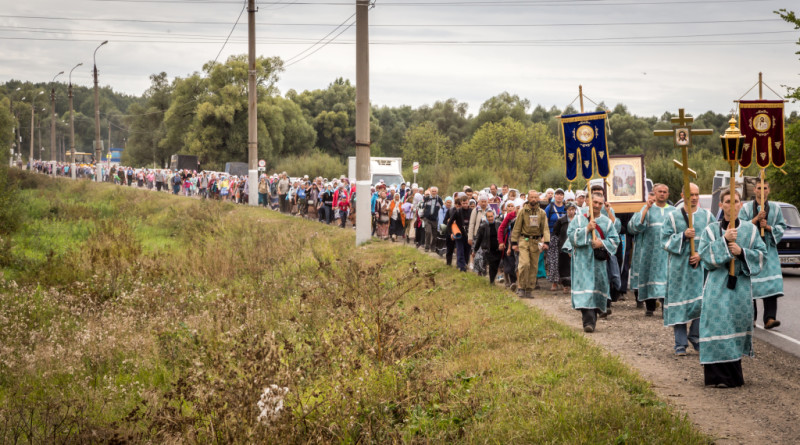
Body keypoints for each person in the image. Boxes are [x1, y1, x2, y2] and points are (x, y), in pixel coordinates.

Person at [697, 189, 766, 387]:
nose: (732, 205)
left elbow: (762, 256)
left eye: (735, 201)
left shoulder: (750, 231)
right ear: (721, 205)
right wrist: (725, 242)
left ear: (741, 204)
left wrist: (742, 252)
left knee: (733, 327)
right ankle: (715, 377)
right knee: (716, 326)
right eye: (727, 201)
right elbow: (705, 258)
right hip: (716, 287)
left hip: (740, 289)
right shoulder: (711, 230)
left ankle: (732, 378)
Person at [661, 183, 715, 356]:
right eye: (690, 194)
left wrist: (701, 254)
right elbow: (665, 240)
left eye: (697, 194)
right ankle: (680, 344)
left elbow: (715, 240)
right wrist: (683, 236)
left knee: (702, 303)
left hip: (700, 267)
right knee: (680, 305)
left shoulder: (707, 217)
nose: (694, 198)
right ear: (683, 195)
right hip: (679, 268)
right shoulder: (672, 217)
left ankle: (695, 335)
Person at [562, 193, 620, 333]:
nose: (597, 206)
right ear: (589, 202)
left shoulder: (606, 222)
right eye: (595, 202)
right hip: (581, 261)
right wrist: (587, 229)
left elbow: (615, 240)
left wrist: (601, 243)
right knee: (585, 291)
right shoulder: (579, 219)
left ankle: (594, 315)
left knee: (595, 289)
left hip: (598, 262)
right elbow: (570, 235)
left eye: (600, 203)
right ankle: (588, 322)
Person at [739, 180, 785, 329]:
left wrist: (769, 227)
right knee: (750, 285)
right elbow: (740, 225)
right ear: (754, 190)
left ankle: (770, 318)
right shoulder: (745, 208)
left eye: (765, 187)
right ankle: (750, 319)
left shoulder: (776, 209)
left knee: (771, 285)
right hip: (752, 251)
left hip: (769, 251)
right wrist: (755, 220)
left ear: (769, 190)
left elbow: (781, 227)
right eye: (759, 188)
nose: (762, 190)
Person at [627, 184, 675, 317]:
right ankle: (650, 306)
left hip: (667, 251)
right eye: (659, 191)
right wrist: (646, 208)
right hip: (650, 250)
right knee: (650, 275)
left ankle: (666, 307)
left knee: (667, 278)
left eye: (665, 192)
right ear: (654, 193)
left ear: (668, 194)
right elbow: (635, 226)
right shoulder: (647, 208)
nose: (662, 194)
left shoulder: (673, 211)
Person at [510, 190, 550, 298]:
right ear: (528, 198)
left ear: (538, 199)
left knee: (533, 266)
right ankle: (521, 287)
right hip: (524, 240)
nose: (533, 199)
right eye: (531, 197)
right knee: (524, 264)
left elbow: (545, 228)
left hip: (536, 241)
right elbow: (517, 227)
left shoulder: (541, 213)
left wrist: (546, 242)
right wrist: (514, 242)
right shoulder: (522, 211)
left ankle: (529, 289)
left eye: (535, 197)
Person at [544, 188, 567, 291]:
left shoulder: (567, 207)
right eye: (557, 194)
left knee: (565, 259)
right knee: (553, 259)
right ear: (554, 196)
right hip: (553, 235)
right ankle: (554, 282)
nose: (559, 196)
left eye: (561, 194)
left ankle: (565, 282)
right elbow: (544, 223)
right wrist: (544, 236)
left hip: (565, 236)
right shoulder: (550, 207)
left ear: (563, 196)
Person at [553, 201, 578, 294]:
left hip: (576, 245)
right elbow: (556, 231)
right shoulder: (561, 220)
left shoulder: (579, 219)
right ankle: (566, 285)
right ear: (566, 210)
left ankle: (575, 285)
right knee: (564, 265)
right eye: (569, 210)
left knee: (575, 265)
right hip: (563, 245)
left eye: (573, 209)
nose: (571, 211)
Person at [473, 209, 503, 284]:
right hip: (488, 249)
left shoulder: (499, 224)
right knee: (492, 264)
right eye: (488, 217)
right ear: (486, 217)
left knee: (496, 265)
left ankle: (493, 278)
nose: (490, 218)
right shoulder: (483, 227)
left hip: (498, 249)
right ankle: (492, 281)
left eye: (491, 216)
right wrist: (475, 250)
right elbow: (479, 239)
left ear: (494, 216)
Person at [422, 187, 444, 252]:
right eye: (433, 191)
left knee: (435, 235)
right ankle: (427, 247)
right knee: (428, 232)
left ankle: (433, 247)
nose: (434, 192)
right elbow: (422, 207)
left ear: (437, 192)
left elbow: (443, 208)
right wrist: (422, 216)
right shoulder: (427, 198)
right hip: (427, 218)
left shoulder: (439, 199)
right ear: (430, 192)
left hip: (435, 219)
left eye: (435, 191)